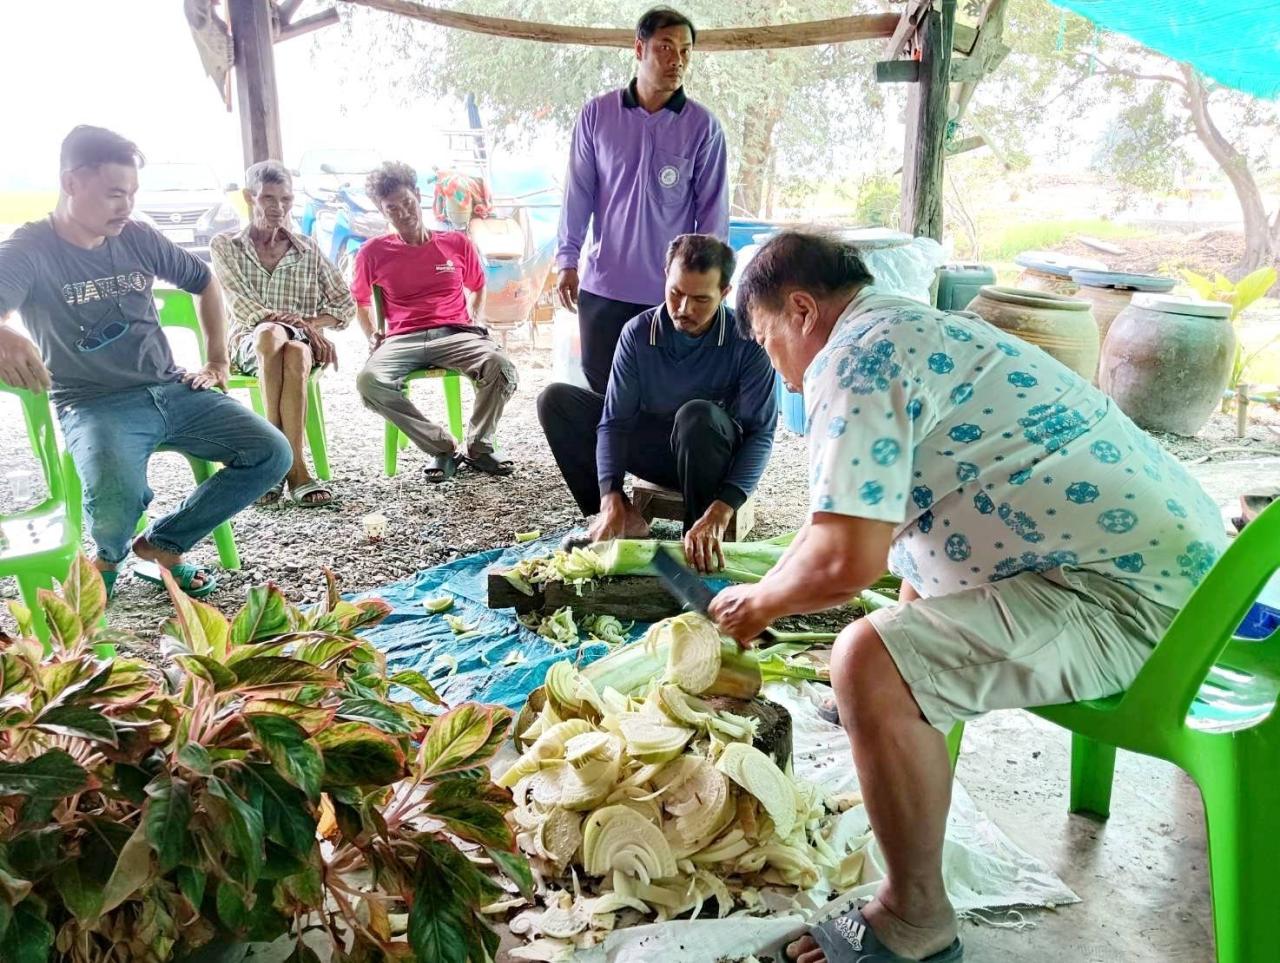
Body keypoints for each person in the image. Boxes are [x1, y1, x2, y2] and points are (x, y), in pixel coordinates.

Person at [709, 232, 1228, 963]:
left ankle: (914, 917)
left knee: (866, 659)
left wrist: (764, 607)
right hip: (1187, 584)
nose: (783, 376)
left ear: (800, 310)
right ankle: (901, 775)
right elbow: (843, 521)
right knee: (886, 640)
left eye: (768, 344)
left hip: (1145, 613)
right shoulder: (922, 329)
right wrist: (763, 585)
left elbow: (847, 561)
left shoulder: (856, 356)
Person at [0, 126, 291, 598]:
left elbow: (204, 282)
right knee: (118, 496)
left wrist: (217, 361)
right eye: (115, 194)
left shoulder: (137, 237)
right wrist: (4, 330)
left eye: (132, 193)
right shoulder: (30, 248)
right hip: (94, 402)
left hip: (174, 389)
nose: (126, 206)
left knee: (272, 453)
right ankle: (107, 557)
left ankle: (164, 543)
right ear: (71, 183)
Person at [538, 234, 776, 572]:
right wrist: (610, 494)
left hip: (711, 456)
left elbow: (760, 433)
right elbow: (615, 422)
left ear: (724, 294)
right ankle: (621, 518)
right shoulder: (638, 333)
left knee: (697, 415)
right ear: (665, 274)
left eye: (700, 300)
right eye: (676, 293)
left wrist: (723, 509)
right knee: (555, 401)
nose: (683, 310)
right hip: (658, 452)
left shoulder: (746, 341)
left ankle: (695, 539)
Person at [555, 5, 729, 394]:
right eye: (665, 47)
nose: (677, 60)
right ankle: (606, 459)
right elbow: (578, 194)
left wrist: (709, 288)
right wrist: (567, 259)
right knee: (603, 393)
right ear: (639, 49)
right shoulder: (597, 115)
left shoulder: (703, 127)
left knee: (666, 394)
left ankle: (654, 458)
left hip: (670, 297)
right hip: (604, 289)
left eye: (685, 51)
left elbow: (713, 217)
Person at [353, 160, 517, 481]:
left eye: (407, 203)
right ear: (381, 211)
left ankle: (479, 446)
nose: (403, 213)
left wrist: (477, 319)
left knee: (501, 365)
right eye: (392, 209)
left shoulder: (455, 243)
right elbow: (359, 301)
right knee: (369, 382)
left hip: (456, 332)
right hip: (402, 339)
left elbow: (478, 285)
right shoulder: (372, 252)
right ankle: (442, 448)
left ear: (418, 195)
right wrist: (372, 333)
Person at [210, 160, 354, 507]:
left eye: (286, 199)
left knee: (295, 347)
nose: (278, 208)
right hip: (248, 343)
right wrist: (299, 324)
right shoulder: (226, 245)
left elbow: (344, 306)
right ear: (249, 197)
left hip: (301, 343)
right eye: (268, 198)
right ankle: (297, 470)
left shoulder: (307, 249)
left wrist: (307, 327)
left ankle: (273, 464)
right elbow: (242, 307)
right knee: (272, 337)